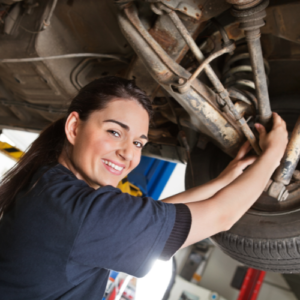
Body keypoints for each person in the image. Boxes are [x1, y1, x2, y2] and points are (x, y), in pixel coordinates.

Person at [0, 76, 288, 299]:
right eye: (115, 132)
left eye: (138, 143)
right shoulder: (80, 212)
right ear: (74, 127)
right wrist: (274, 155)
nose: (129, 154)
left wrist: (225, 179)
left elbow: (156, 217)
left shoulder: (49, 185)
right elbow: (221, 216)